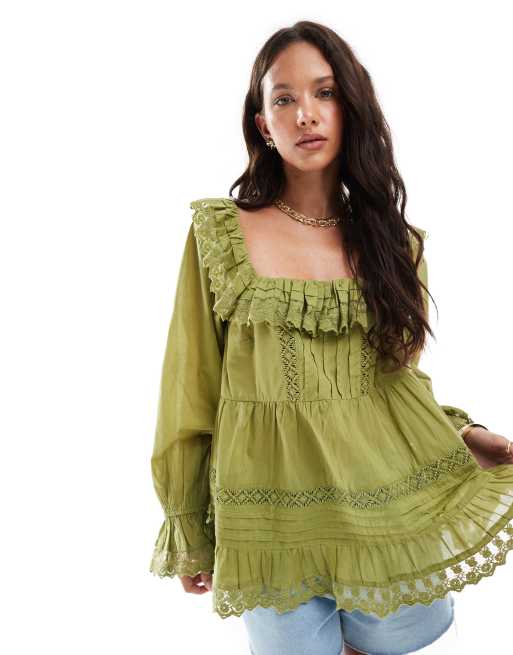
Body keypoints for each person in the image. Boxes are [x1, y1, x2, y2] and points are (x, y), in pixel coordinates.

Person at [149, 20, 513, 655]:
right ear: (263, 124)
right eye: (283, 99)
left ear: (351, 107)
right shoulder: (221, 236)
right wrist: (186, 520)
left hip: (384, 507)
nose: (305, 114)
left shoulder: (395, 244)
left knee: (411, 630)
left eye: (325, 93)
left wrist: (461, 432)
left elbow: (394, 383)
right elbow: (189, 388)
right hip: (270, 519)